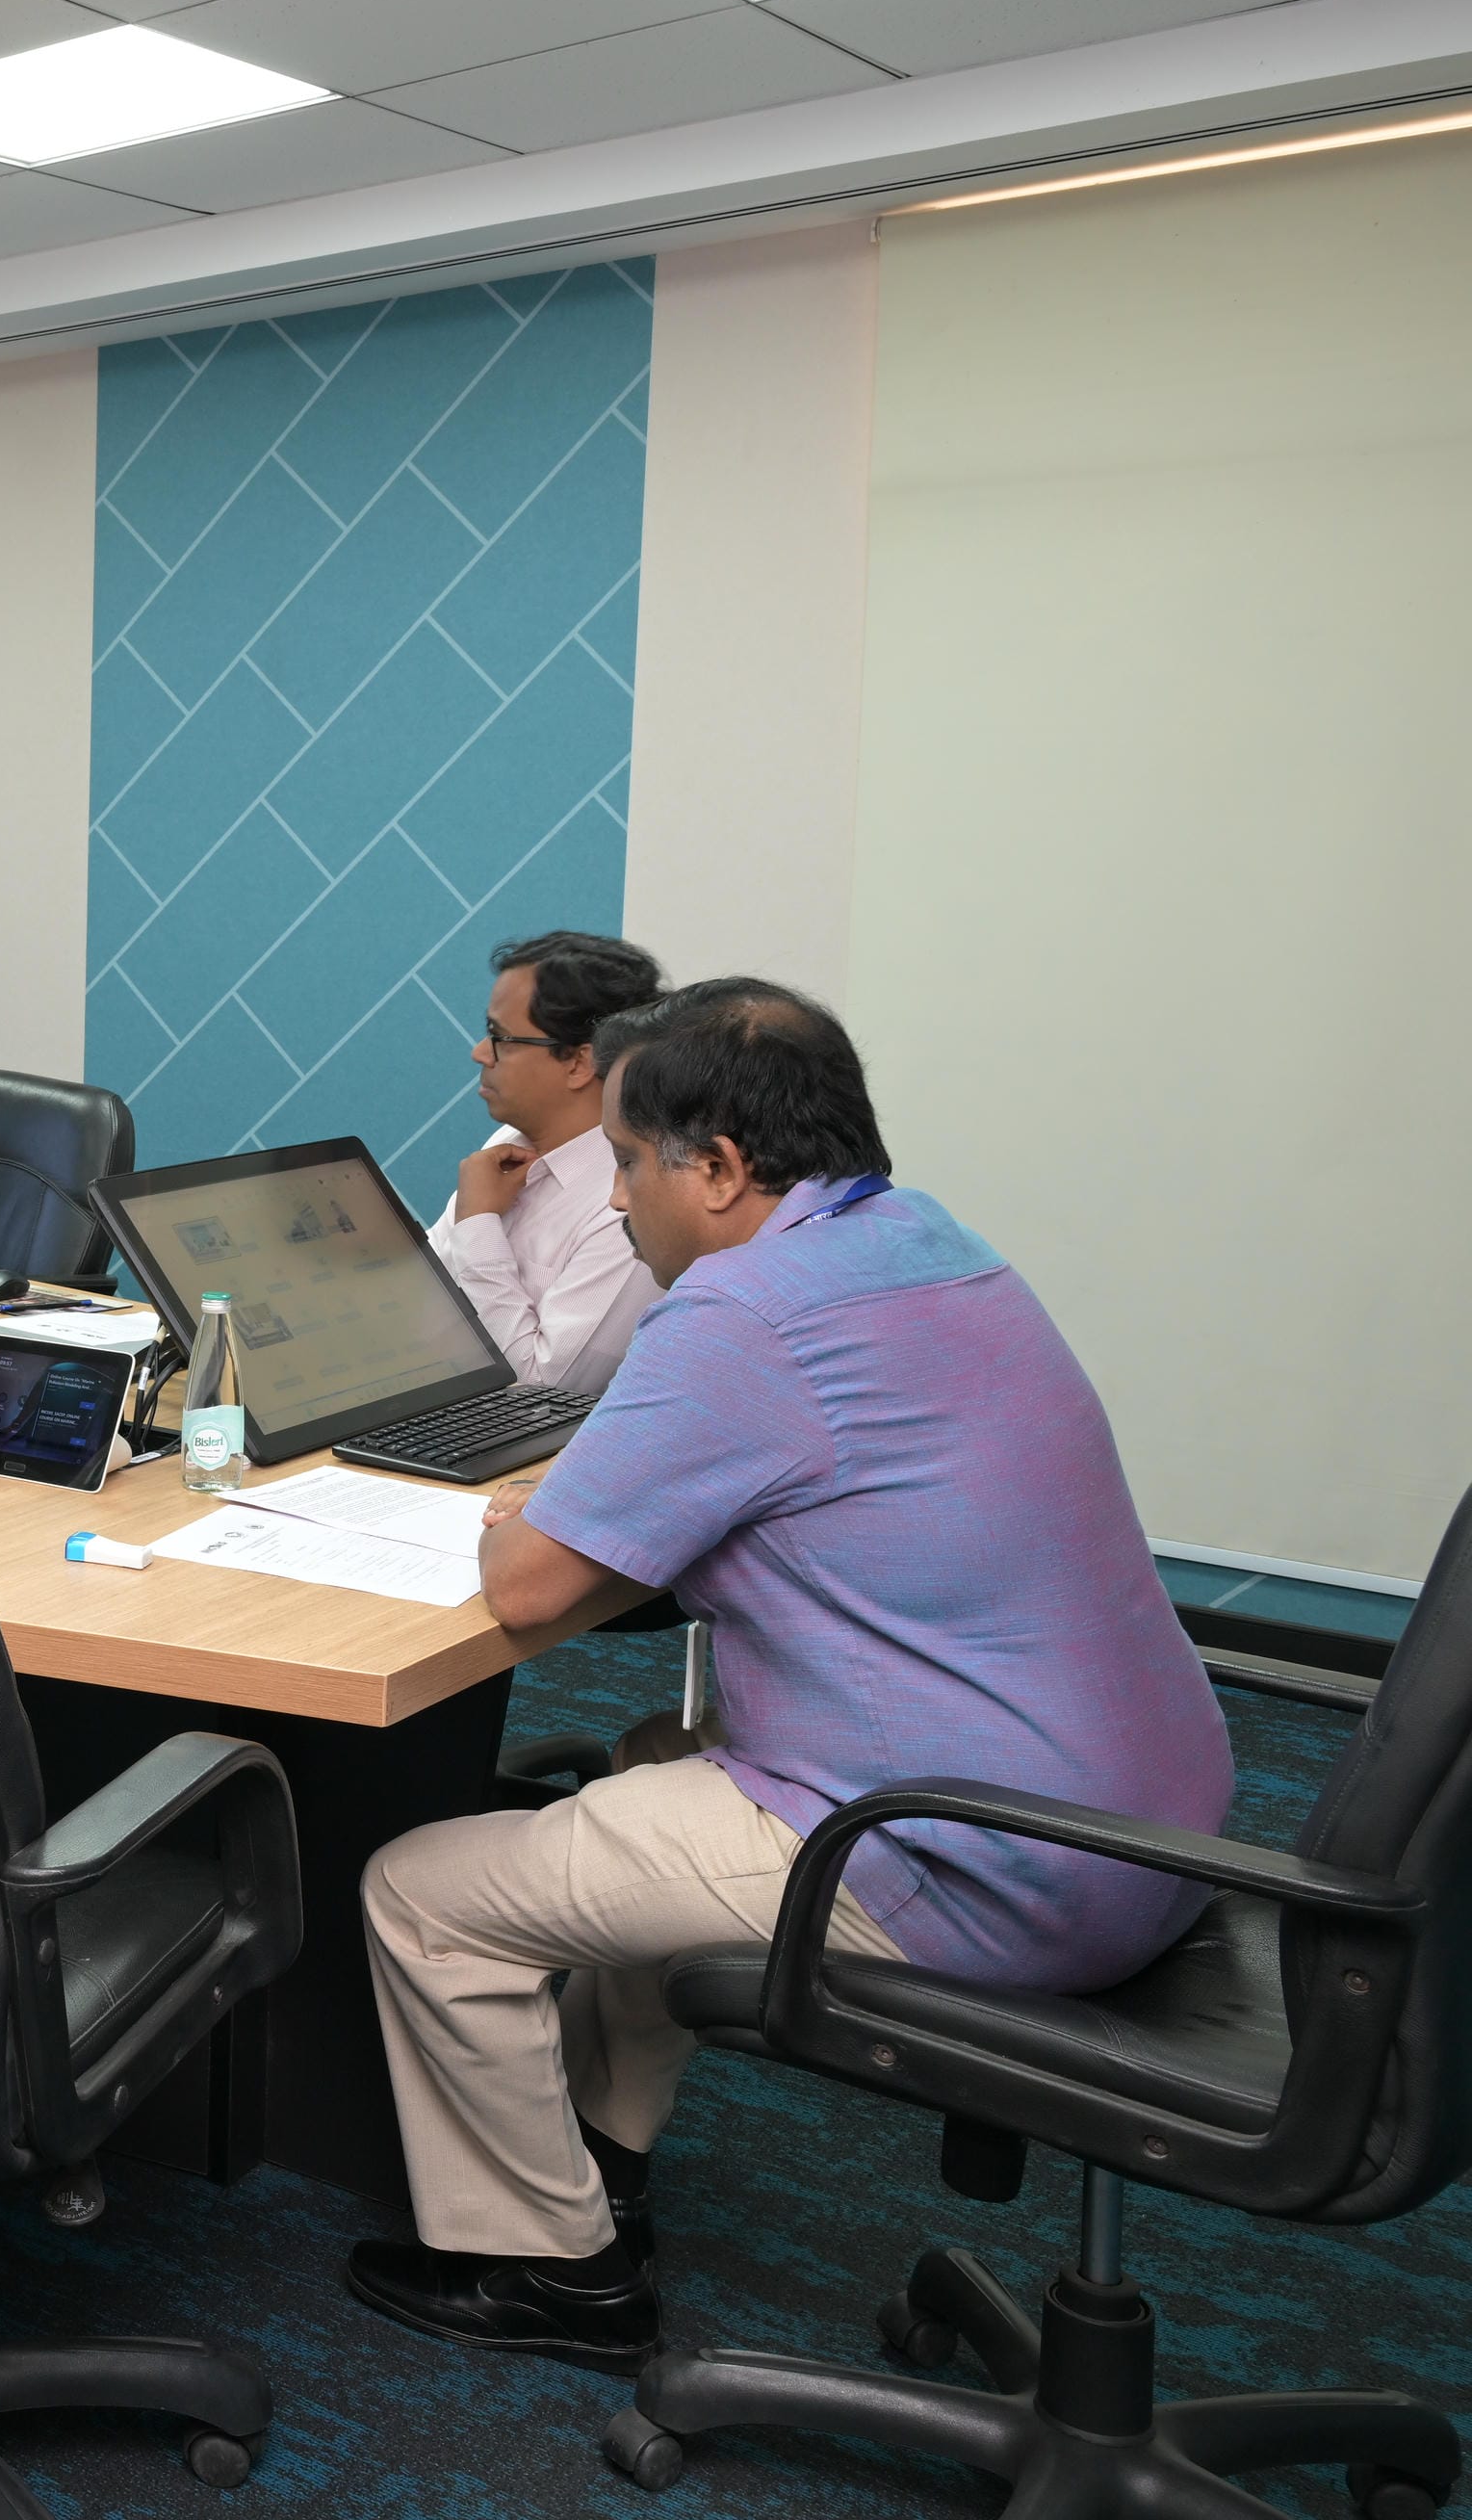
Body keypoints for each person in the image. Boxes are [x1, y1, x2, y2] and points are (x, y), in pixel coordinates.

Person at [343, 980, 1232, 2371]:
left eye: (629, 1163)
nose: (618, 1199)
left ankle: (555, 2272)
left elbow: (528, 1587)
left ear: (718, 1168)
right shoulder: (930, 1243)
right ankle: (602, 2156)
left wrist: (535, 1517)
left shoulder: (744, 1311)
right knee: (652, 1765)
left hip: (980, 1858)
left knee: (424, 1894)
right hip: (1152, 1825)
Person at [426, 930, 667, 1393]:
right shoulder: (509, 1142)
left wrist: (477, 1225)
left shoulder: (632, 1200)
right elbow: (423, 1296)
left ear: (579, 1063)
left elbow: (545, 1395)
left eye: (499, 1037)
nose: (480, 1052)